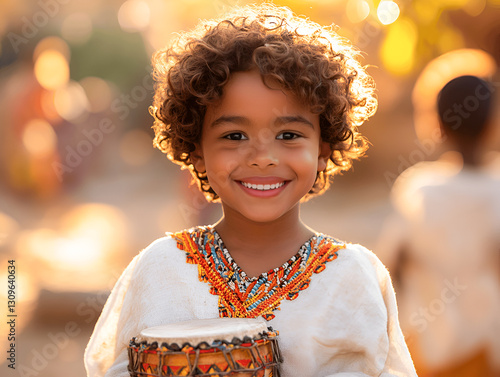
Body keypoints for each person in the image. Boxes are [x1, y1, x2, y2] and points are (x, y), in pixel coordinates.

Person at [84, 3, 417, 376]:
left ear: (323, 149)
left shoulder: (353, 277)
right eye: (234, 135)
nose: (262, 157)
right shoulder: (159, 270)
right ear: (197, 151)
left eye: (288, 135)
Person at [377, 75, 500, 377]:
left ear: (438, 125)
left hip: (427, 353)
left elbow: (387, 269)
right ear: (492, 123)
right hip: (488, 353)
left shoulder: (420, 190)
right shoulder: (496, 189)